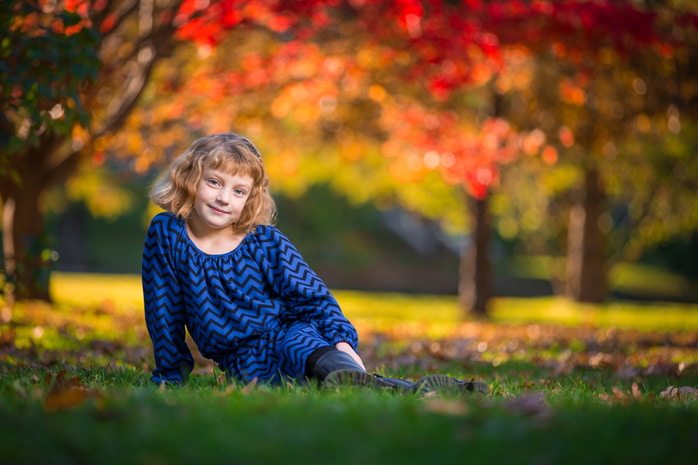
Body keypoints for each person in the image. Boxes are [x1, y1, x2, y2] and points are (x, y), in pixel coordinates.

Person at [142, 133, 488, 395]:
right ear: (191, 179)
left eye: (238, 191)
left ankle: (362, 376)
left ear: (251, 197)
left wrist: (342, 343)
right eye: (214, 182)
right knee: (311, 384)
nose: (223, 198)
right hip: (242, 358)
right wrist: (170, 375)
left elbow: (315, 300)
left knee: (302, 346)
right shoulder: (169, 233)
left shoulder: (265, 241)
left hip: (293, 331)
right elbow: (163, 309)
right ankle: (412, 390)